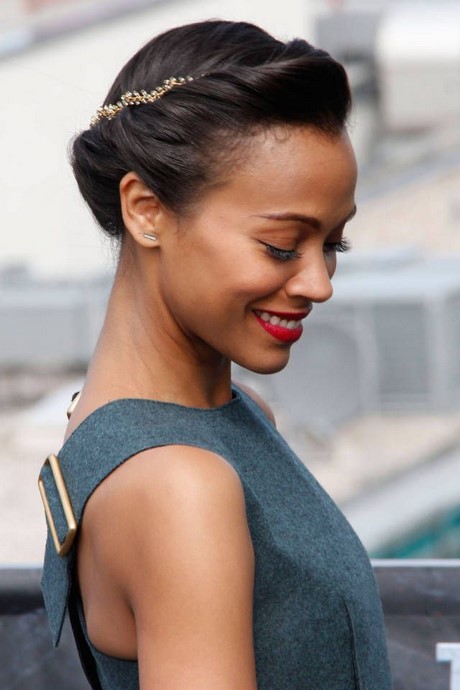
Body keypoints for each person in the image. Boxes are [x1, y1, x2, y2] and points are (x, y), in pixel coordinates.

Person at [38, 19, 392, 690]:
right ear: (146, 210)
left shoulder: (219, 419)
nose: (319, 283)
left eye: (332, 246)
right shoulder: (179, 486)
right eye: (283, 245)